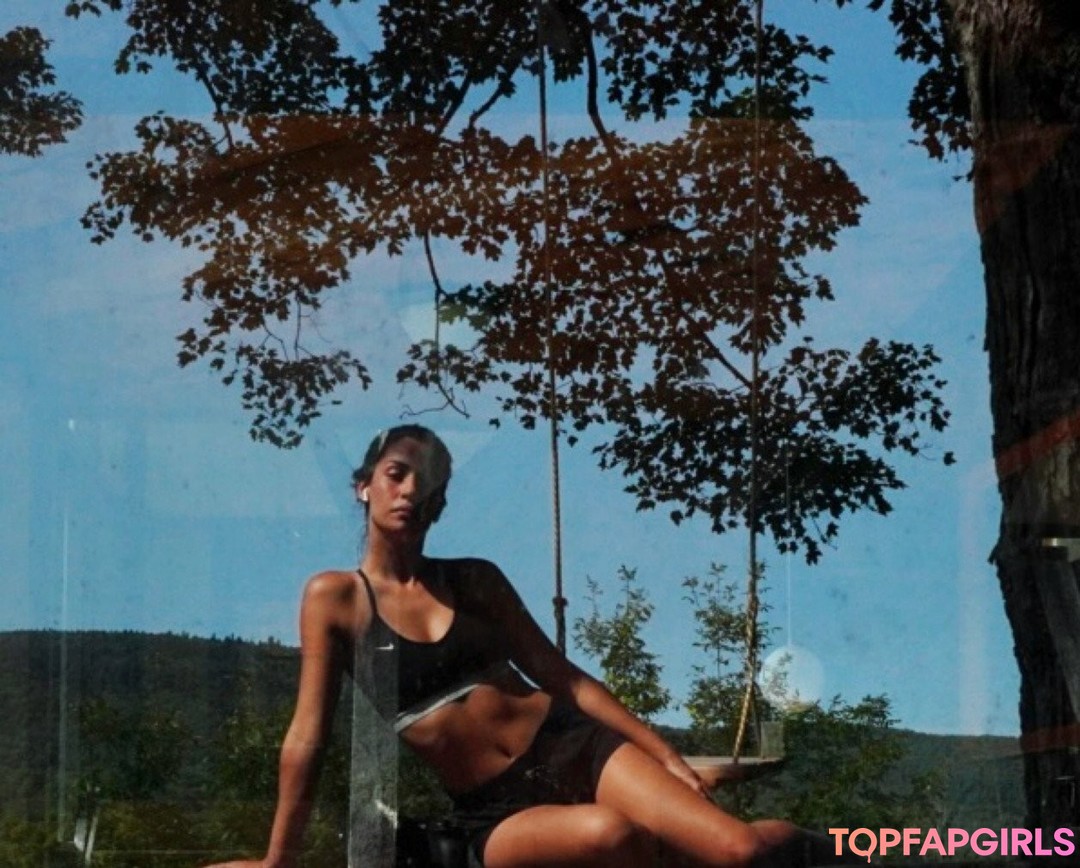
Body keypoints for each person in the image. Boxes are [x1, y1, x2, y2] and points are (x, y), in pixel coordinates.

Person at [204, 425, 824, 868]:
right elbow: (307, 735)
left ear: (439, 505)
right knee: (612, 837)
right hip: (493, 808)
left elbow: (564, 677)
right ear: (364, 486)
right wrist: (278, 859)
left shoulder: (475, 580)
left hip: (574, 748)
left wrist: (665, 756)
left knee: (739, 851)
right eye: (396, 474)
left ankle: (831, 848)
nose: (410, 490)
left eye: (427, 483)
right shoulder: (335, 598)